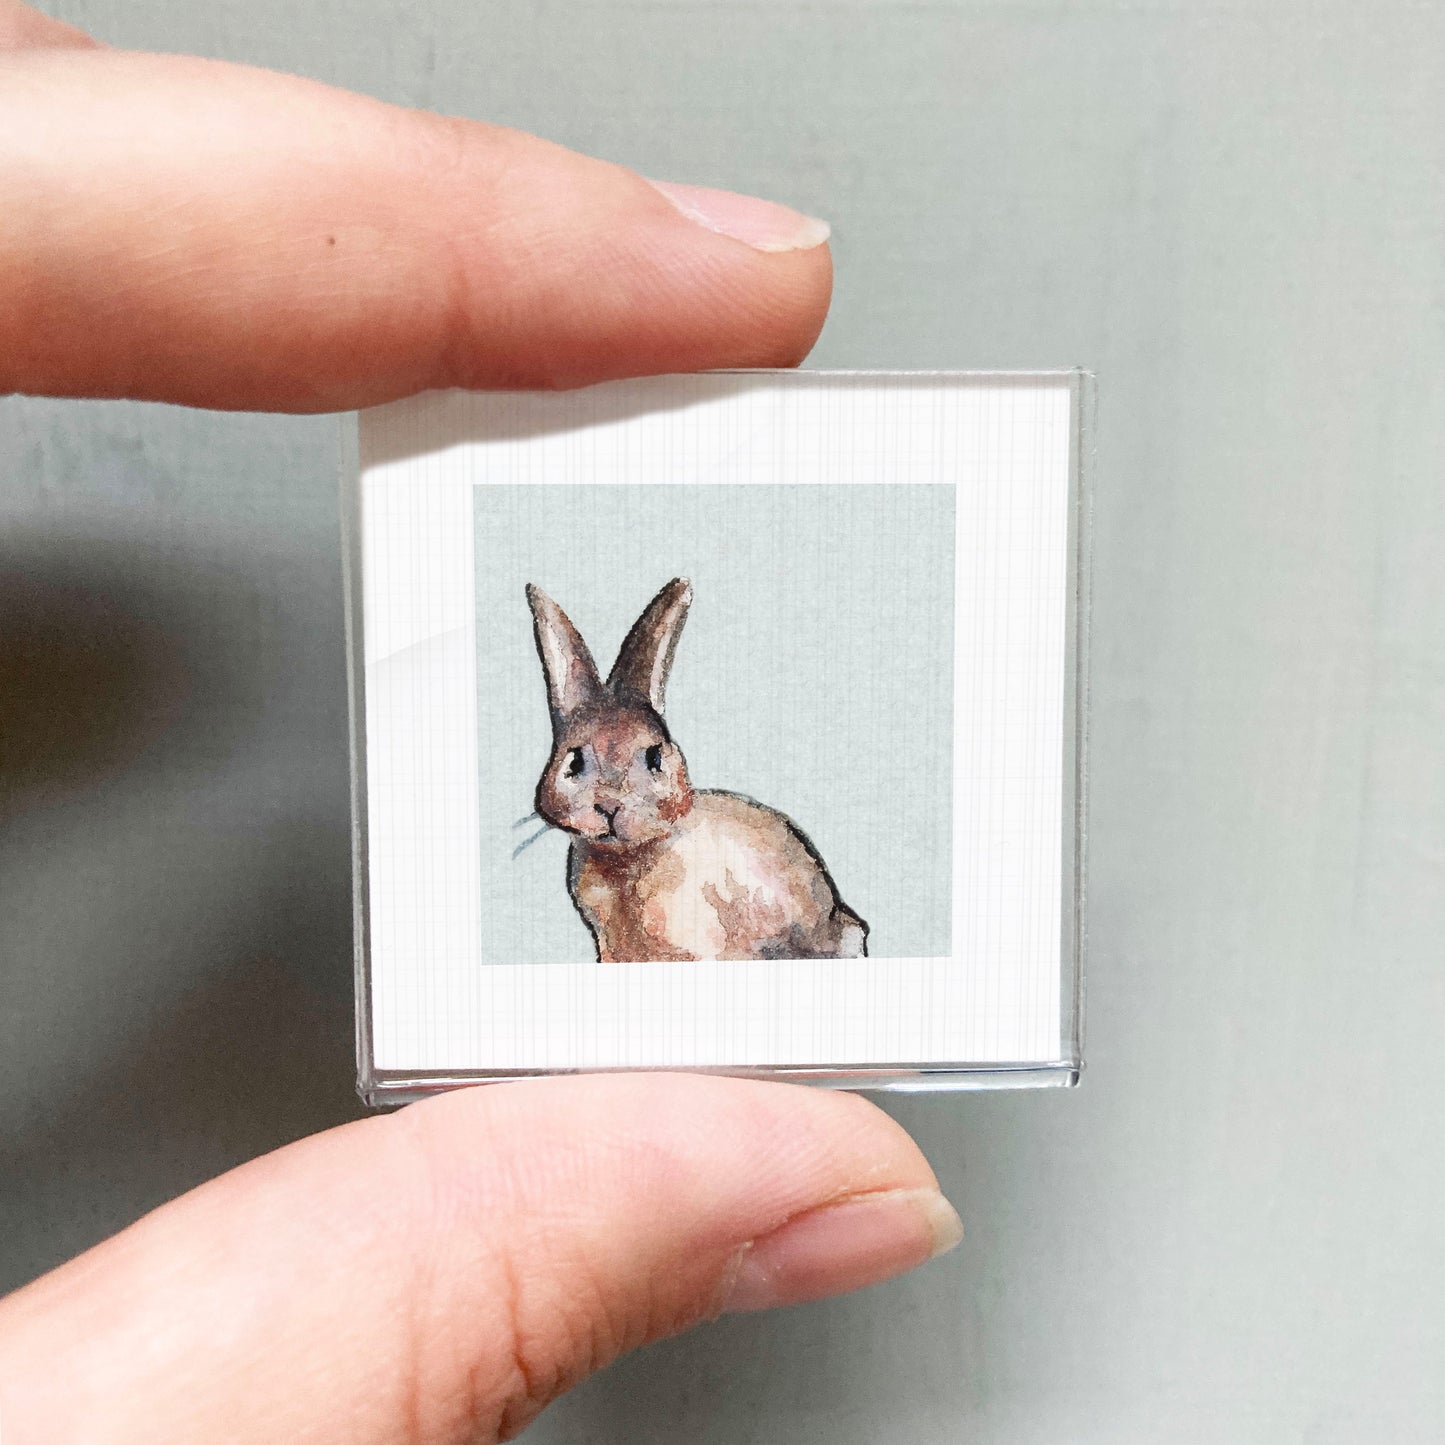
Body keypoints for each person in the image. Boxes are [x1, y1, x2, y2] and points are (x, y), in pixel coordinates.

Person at [0, 5, 962, 1440]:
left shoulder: (709, 842)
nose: (613, 799)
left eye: (640, 769)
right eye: (584, 769)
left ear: (673, 760)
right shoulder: (586, 864)